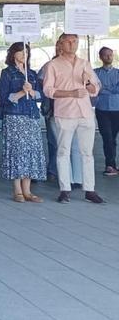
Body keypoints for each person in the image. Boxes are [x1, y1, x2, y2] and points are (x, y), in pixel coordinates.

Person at [43, 33, 104, 204]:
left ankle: (89, 189)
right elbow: (48, 90)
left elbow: (95, 90)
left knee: (87, 152)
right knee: (63, 151)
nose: (72, 44)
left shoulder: (85, 64)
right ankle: (65, 189)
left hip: (85, 113)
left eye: (75, 41)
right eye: (68, 41)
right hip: (65, 113)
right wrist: (71, 93)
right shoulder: (53, 65)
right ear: (60, 44)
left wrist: (87, 83)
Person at [0, 43, 46, 202]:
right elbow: (5, 98)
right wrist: (21, 92)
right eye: (21, 51)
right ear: (13, 54)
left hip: (31, 116)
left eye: (27, 51)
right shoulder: (7, 73)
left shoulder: (31, 73)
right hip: (15, 116)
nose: (24, 54)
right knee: (17, 151)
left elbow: (40, 96)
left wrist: (31, 91)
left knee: (31, 151)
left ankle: (28, 190)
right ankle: (17, 190)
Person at [94, 47, 119, 176]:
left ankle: (113, 163)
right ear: (101, 57)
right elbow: (95, 88)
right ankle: (110, 165)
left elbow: (116, 90)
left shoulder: (118, 72)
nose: (109, 57)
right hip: (102, 109)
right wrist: (108, 89)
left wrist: (104, 89)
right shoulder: (95, 73)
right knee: (107, 137)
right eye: (106, 55)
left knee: (113, 138)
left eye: (110, 54)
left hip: (117, 109)